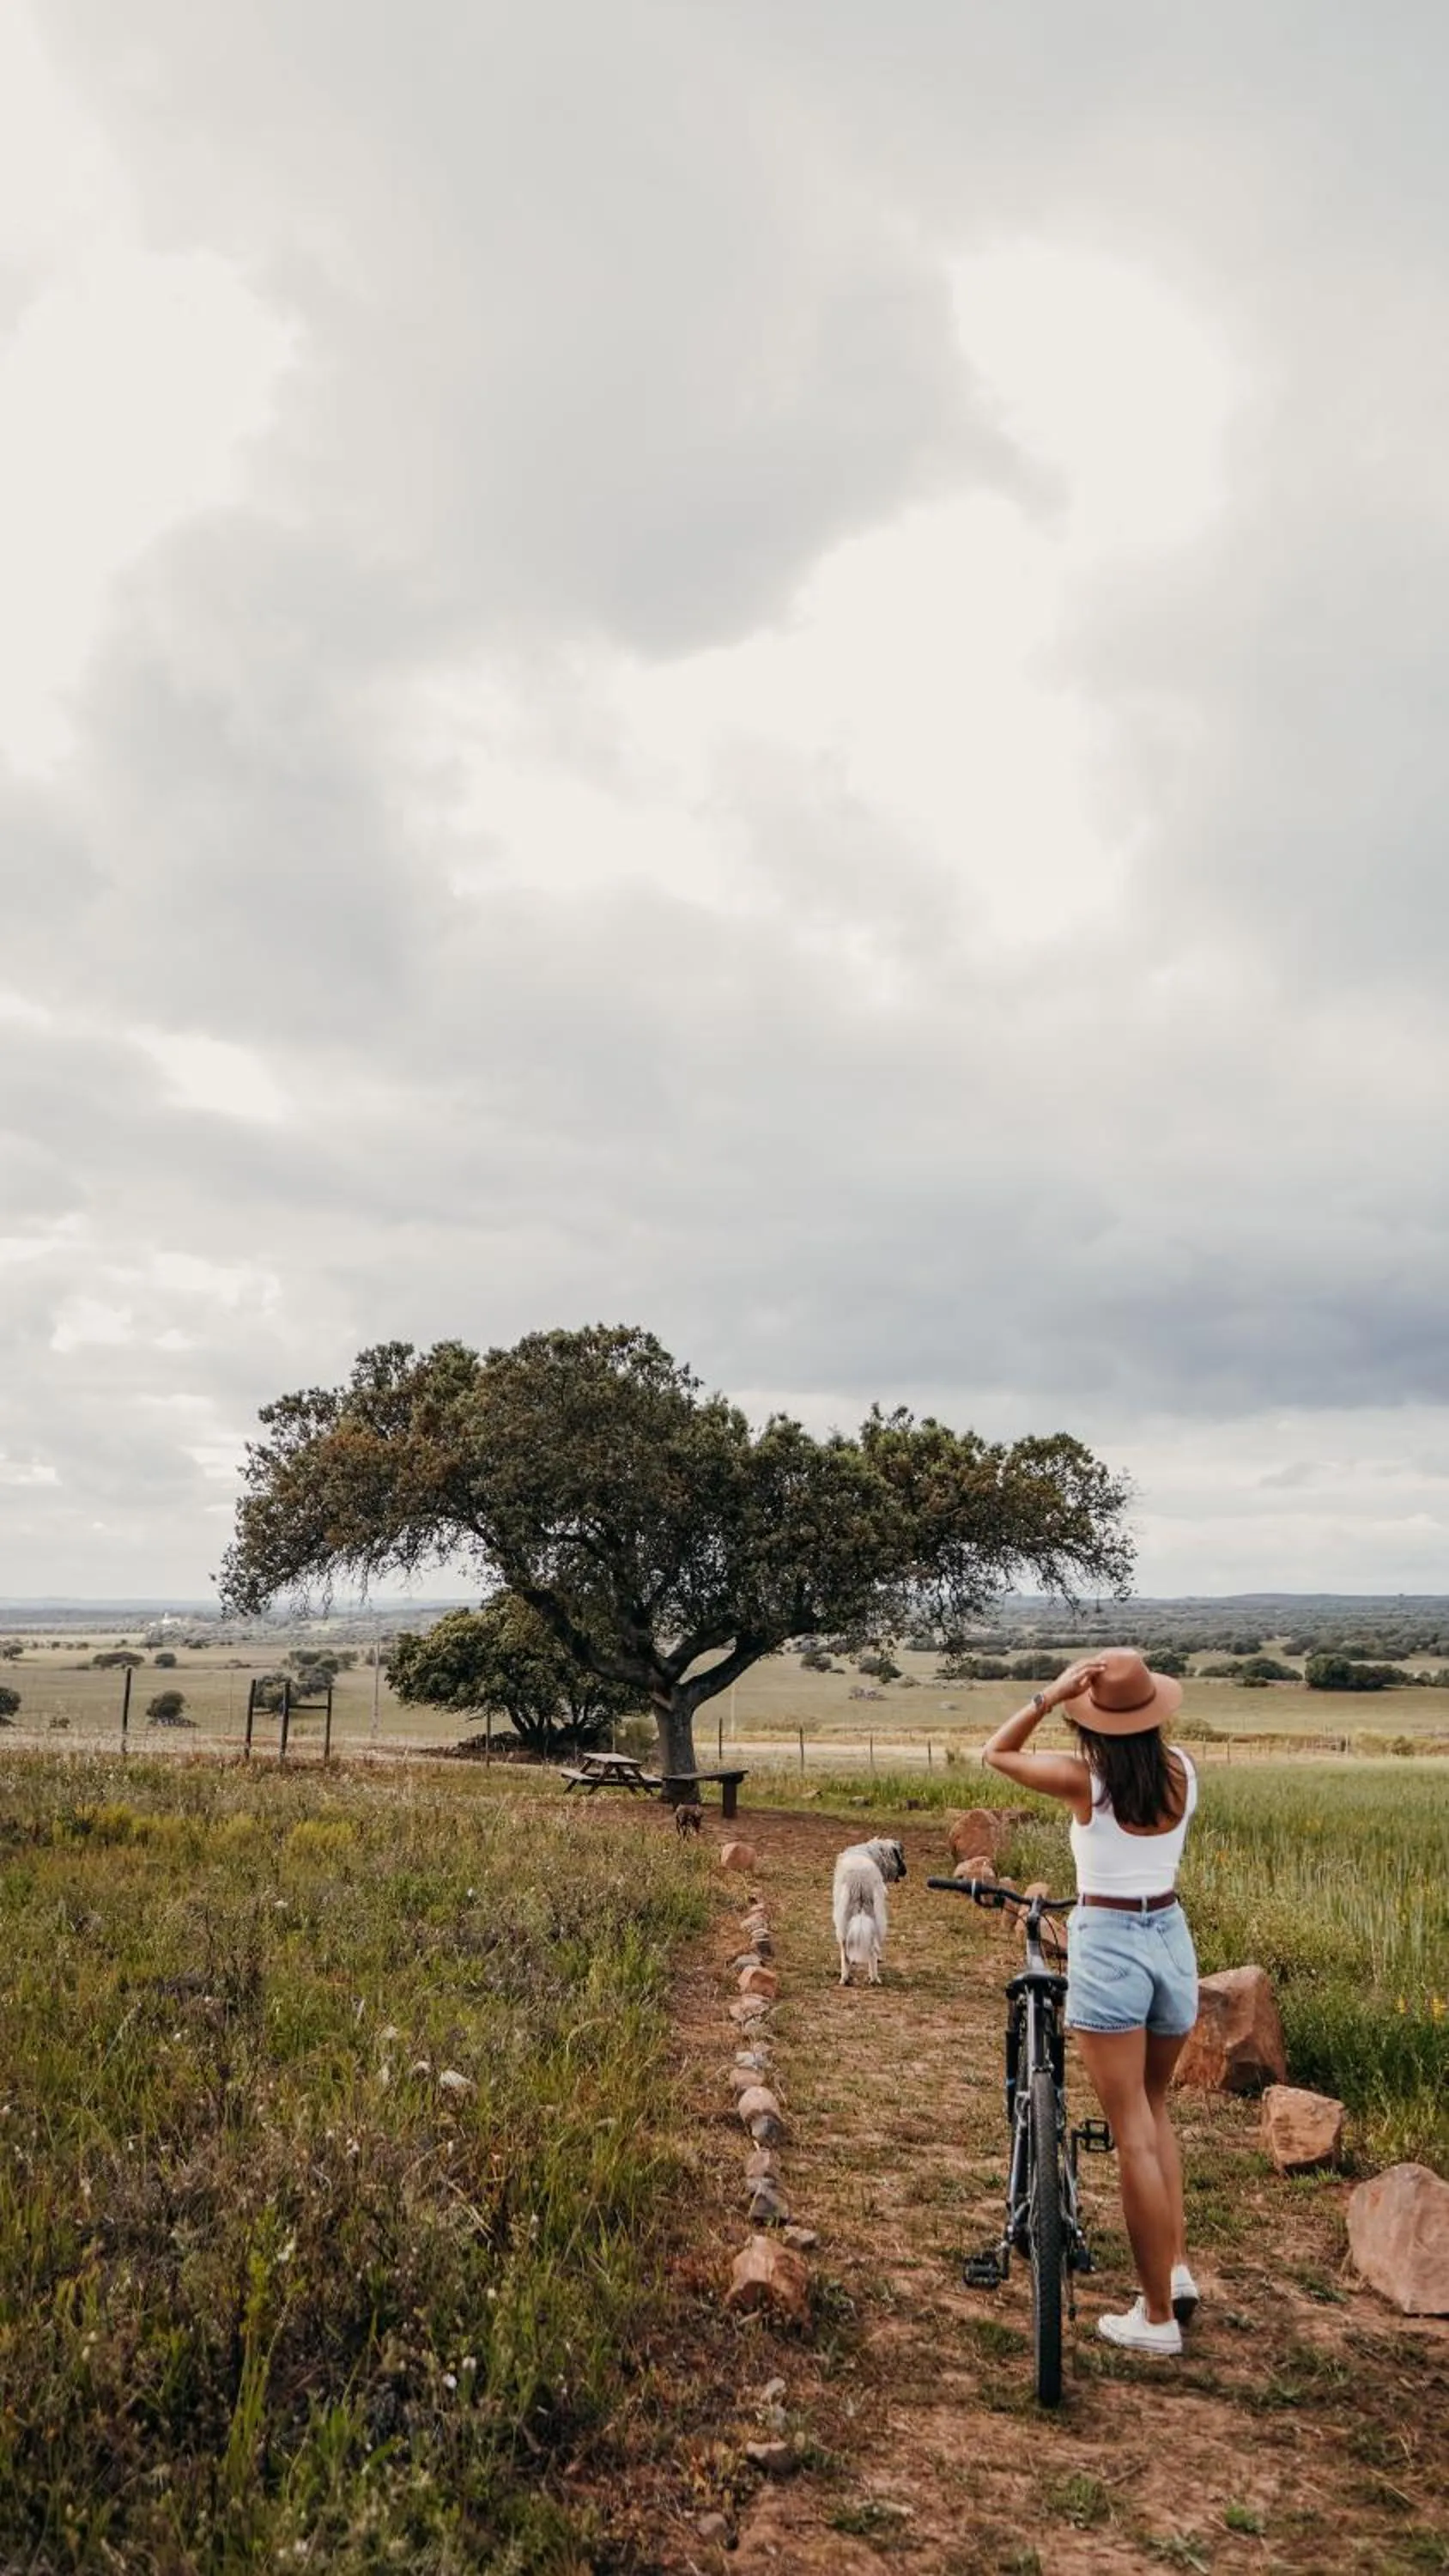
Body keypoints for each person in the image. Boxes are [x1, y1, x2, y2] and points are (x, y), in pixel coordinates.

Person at [980, 1646, 1200, 2356]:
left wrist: (1048, 1695)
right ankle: (1175, 2268)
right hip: (1170, 1937)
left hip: (1110, 1939)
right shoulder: (1183, 1772)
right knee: (1155, 2109)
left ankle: (1158, 2319)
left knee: (1131, 2128)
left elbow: (996, 1753)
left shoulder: (1088, 1783)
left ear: (1092, 1722)